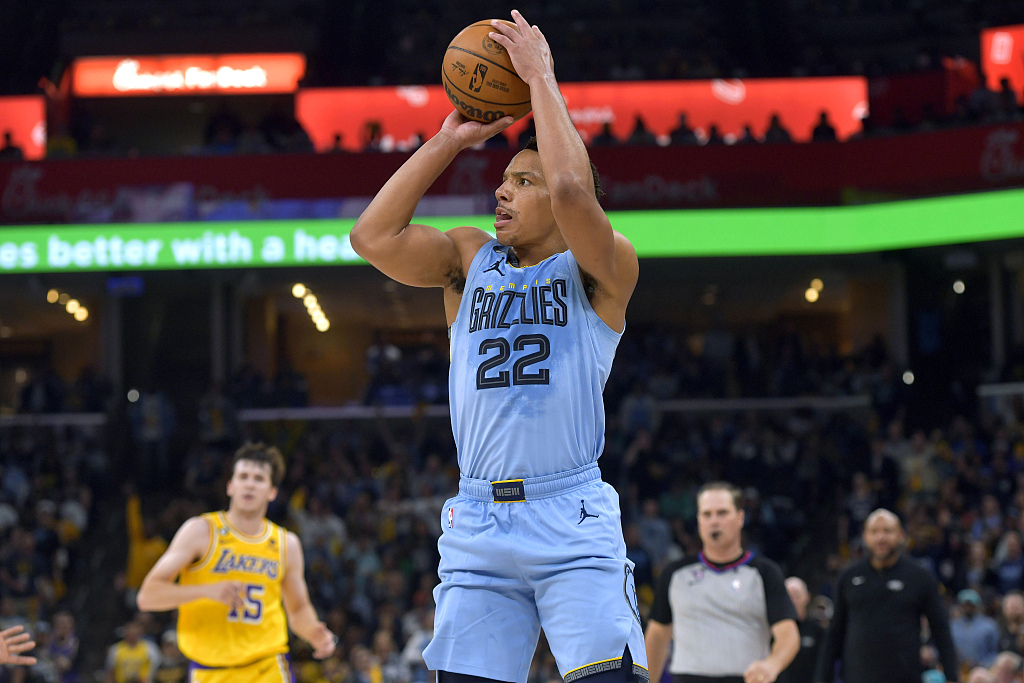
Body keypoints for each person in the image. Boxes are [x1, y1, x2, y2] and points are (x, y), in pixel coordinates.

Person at [350, 9, 645, 683]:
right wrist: (447, 141)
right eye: (504, 176)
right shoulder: (467, 258)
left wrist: (541, 76)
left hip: (569, 516)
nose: (501, 189)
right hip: (479, 518)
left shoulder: (602, 269)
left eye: (522, 181)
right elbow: (371, 237)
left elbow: (574, 186)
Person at [137, 443, 337, 682]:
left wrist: (312, 631)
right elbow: (148, 596)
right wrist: (207, 591)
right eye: (243, 476)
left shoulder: (286, 544)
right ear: (230, 486)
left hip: (267, 667)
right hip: (210, 671)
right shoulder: (201, 531)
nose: (250, 484)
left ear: (272, 492)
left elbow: (298, 608)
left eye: (259, 478)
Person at [645, 482, 799, 683]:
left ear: (740, 518)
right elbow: (657, 634)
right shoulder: (675, 574)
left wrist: (772, 664)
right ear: (699, 520)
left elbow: (788, 634)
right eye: (707, 514)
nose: (714, 521)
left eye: (722, 513)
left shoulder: (764, 573)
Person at [814, 509, 959, 683]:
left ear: (901, 535)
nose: (881, 538)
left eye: (887, 531)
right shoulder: (848, 577)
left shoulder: (920, 577)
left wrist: (952, 676)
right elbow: (834, 633)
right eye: (874, 531)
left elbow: (940, 629)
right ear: (865, 536)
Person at [776, 577, 823, 683]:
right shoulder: (773, 632)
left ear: (807, 597)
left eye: (796, 595)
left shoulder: (818, 632)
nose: (792, 601)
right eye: (788, 596)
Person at [951, 589, 1000, 670]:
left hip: (984, 669)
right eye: (964, 604)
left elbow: (995, 651)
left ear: (977, 605)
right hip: (958, 668)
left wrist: (983, 664)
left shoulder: (989, 625)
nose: (967, 607)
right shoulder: (953, 626)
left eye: (971, 604)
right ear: (960, 606)